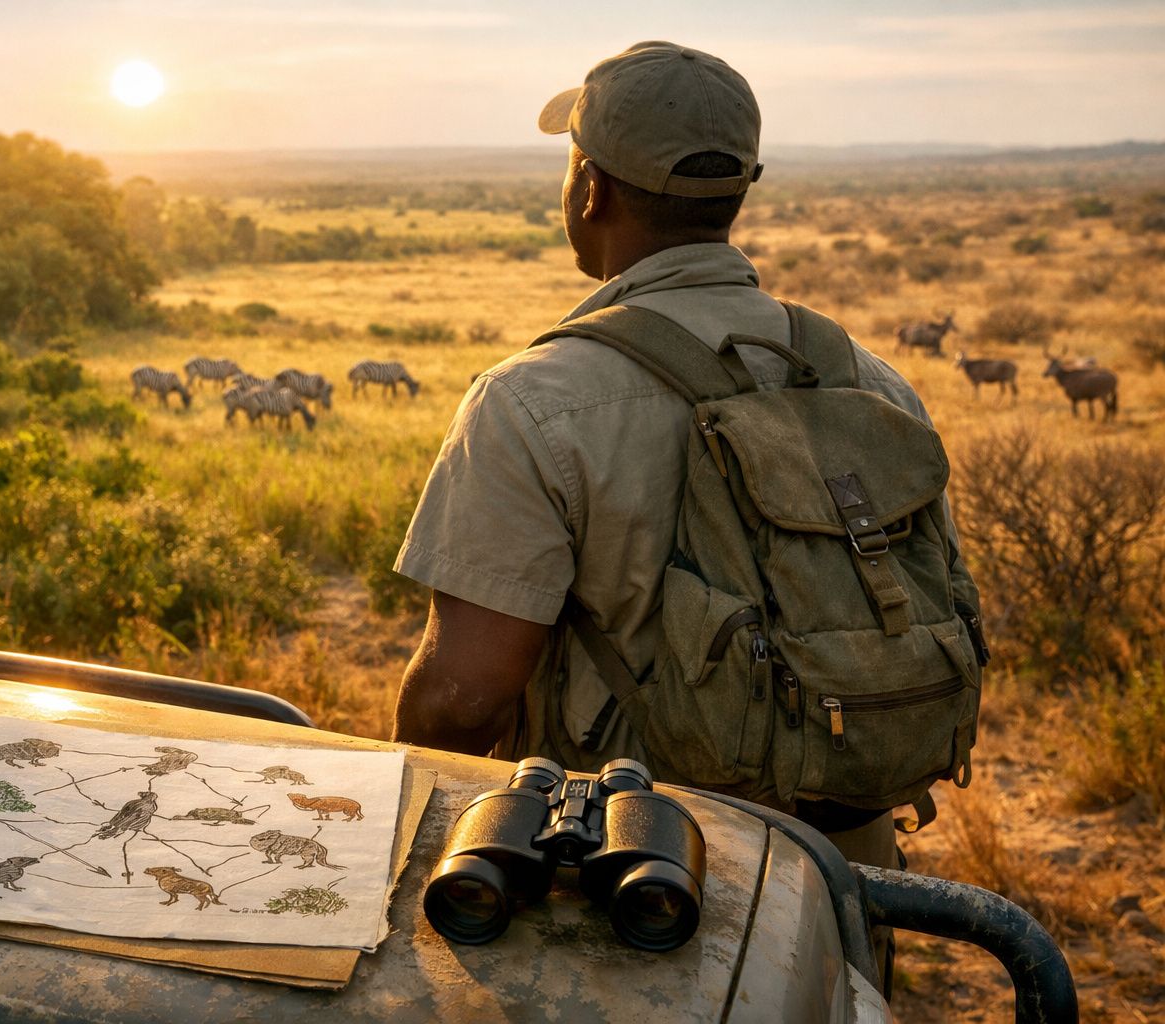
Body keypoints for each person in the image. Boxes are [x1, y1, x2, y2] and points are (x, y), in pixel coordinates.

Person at [390, 41, 964, 880]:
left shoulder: (532, 400)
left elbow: (460, 699)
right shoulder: (871, 380)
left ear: (591, 189)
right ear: (734, 190)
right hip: (842, 875)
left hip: (624, 876)